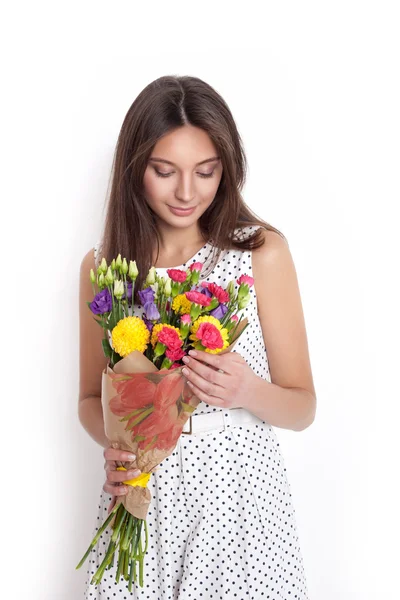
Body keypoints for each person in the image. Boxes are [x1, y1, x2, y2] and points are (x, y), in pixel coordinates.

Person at [78, 75, 316, 599]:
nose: (187, 192)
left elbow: (303, 407)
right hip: (145, 500)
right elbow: (92, 401)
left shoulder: (260, 254)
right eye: (165, 171)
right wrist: (119, 450)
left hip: (239, 499)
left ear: (226, 170)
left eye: (206, 172)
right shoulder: (105, 268)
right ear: (135, 169)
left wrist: (247, 391)